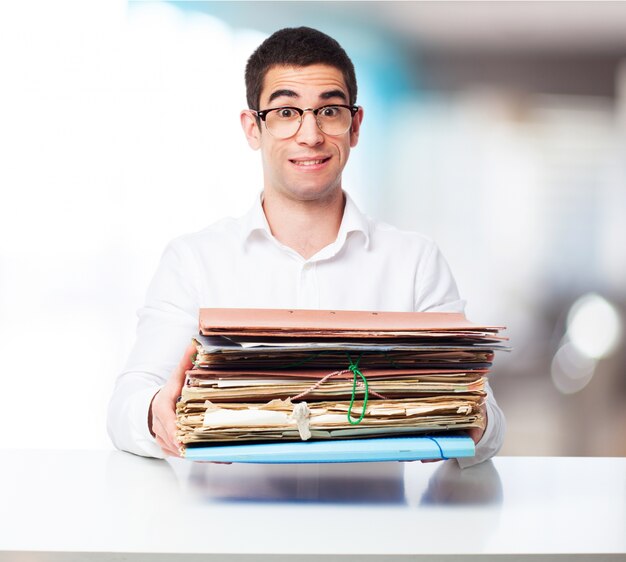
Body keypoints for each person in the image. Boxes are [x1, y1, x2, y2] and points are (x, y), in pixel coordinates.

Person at [107, 26, 505, 467]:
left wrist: (466, 417)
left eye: (329, 111)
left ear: (354, 125)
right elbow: (127, 402)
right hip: (226, 530)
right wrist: (155, 413)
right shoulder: (195, 260)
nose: (310, 135)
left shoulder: (414, 262)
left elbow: (485, 420)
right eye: (286, 112)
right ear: (252, 128)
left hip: (377, 531)